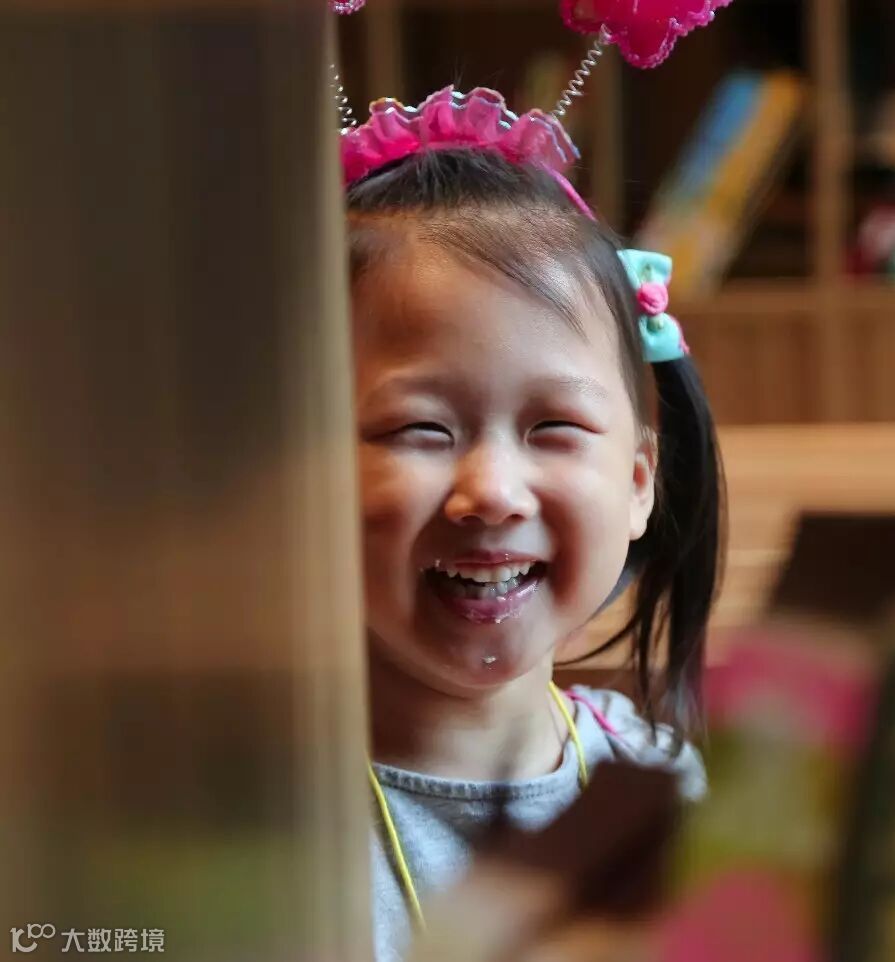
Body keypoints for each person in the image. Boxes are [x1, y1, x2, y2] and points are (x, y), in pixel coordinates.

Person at [342, 88, 723, 961]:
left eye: (553, 427)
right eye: (420, 429)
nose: (493, 493)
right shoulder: (252, 830)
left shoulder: (668, 788)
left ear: (639, 481)